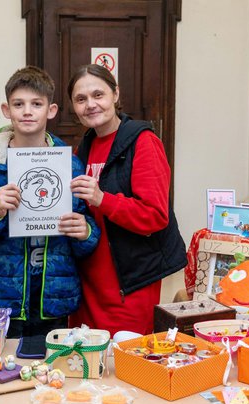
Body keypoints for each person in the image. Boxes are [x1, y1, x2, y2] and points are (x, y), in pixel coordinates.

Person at [0, 66, 100, 348]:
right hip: (1, 298)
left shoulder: (69, 164)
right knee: (2, 372)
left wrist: (85, 233)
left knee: (51, 376)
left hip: (54, 298)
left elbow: (88, 231)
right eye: (18, 104)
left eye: (37, 104)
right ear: (6, 110)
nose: (27, 111)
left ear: (52, 110)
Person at [67, 64, 187, 336]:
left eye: (98, 95)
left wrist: (102, 198)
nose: (90, 105)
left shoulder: (143, 142)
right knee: (88, 366)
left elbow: (155, 215)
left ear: (115, 94)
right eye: (81, 99)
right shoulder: (83, 147)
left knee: (124, 366)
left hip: (128, 284)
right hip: (88, 282)